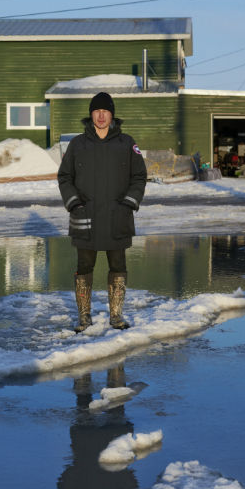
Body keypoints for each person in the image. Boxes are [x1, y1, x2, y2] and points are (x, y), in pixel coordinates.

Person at [57, 91, 146, 331]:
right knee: (84, 266)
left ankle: (116, 316)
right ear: (91, 115)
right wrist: (74, 203)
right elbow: (65, 177)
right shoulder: (77, 144)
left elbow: (139, 177)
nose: (101, 116)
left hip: (118, 215)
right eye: (96, 111)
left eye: (105, 111)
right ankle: (84, 317)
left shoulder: (127, 143)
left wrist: (129, 203)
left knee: (118, 264)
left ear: (112, 115)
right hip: (85, 215)